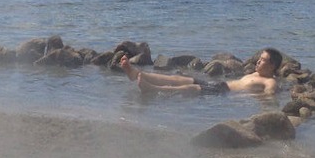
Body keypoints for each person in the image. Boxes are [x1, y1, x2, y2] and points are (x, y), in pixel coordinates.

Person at [119, 48, 282, 96]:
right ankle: (136, 73)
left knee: (193, 89)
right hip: (219, 85)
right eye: (259, 58)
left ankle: (153, 89)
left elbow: (269, 96)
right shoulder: (255, 74)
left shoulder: (269, 81)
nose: (258, 61)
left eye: (263, 60)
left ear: (272, 65)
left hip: (223, 92)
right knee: (179, 78)